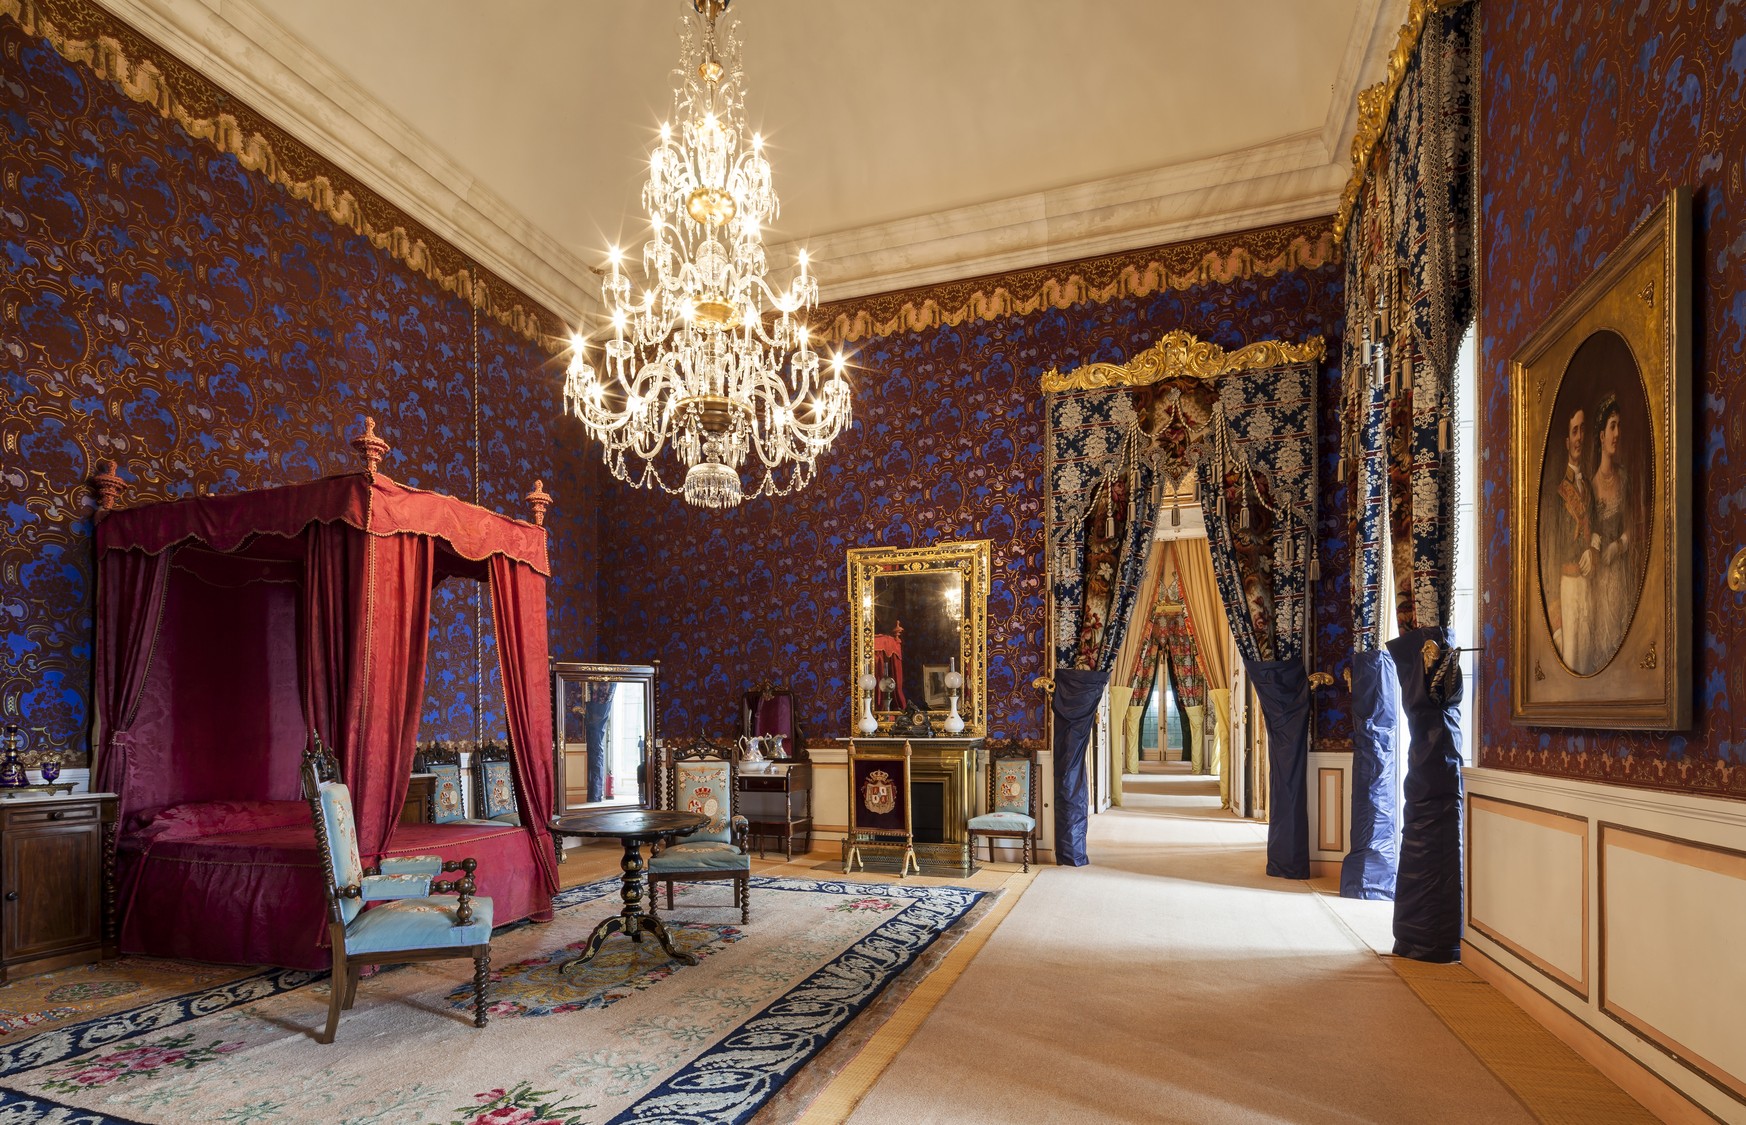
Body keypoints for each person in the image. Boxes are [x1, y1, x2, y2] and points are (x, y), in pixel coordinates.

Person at [1588, 395, 1637, 667]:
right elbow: (1589, 535)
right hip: (1600, 580)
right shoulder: (1591, 486)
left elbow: (1632, 527)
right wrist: (1597, 549)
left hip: (1621, 573)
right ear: (1601, 436)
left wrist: (1618, 546)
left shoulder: (1625, 477)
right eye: (1612, 426)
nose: (1617, 433)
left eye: (1619, 426)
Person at [1547, 407, 1597, 673]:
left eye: (1582, 430)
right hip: (1567, 587)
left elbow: (1597, 528)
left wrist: (1593, 549)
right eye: (1574, 431)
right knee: (1572, 660)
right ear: (1567, 441)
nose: (1579, 438)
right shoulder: (1558, 495)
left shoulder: (1588, 488)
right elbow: (1550, 558)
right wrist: (1556, 626)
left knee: (1588, 658)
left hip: (1587, 586)